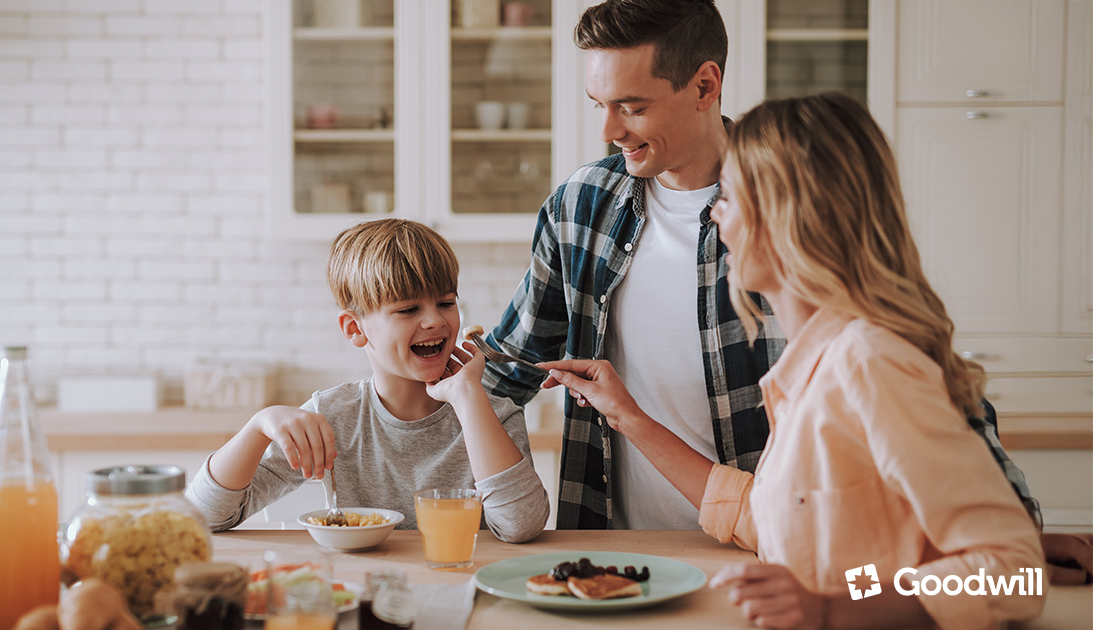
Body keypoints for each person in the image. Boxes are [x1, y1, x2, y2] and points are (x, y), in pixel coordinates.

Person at [481, 0, 1040, 535]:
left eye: (632, 106)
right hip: (627, 547)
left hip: (768, 553)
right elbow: (506, 374)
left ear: (705, 85)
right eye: (598, 104)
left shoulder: (782, 212)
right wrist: (405, 385)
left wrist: (1002, 537)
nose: (609, 131)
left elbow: (920, 377)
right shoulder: (582, 206)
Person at [547, 92, 1047, 628]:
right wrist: (629, 419)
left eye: (730, 198)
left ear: (788, 216)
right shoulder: (810, 369)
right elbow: (768, 517)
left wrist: (830, 607)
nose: (716, 217)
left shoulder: (868, 362)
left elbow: (1013, 574)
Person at [187, 219, 549, 543]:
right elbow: (204, 516)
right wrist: (258, 425)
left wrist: (468, 396)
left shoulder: (494, 415)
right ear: (355, 328)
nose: (435, 321)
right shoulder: (333, 416)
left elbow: (521, 526)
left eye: (446, 303)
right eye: (409, 309)